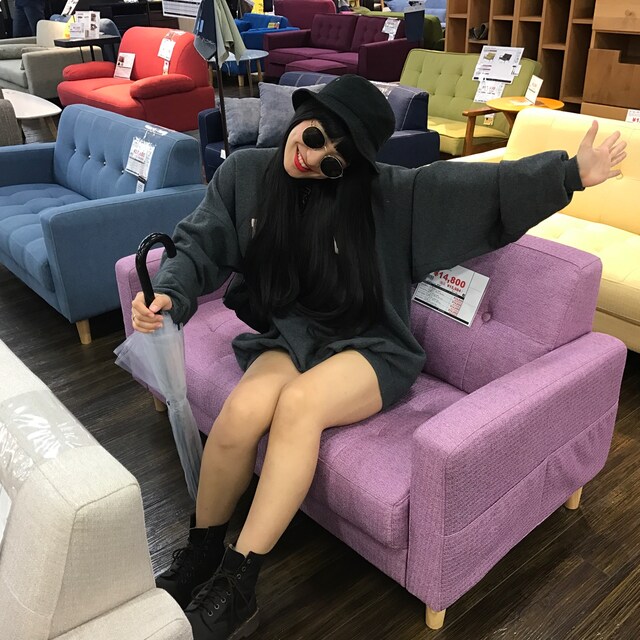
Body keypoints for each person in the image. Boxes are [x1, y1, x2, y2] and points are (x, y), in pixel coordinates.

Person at [130, 75, 626, 640]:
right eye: (314, 136)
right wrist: (170, 292)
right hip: (293, 335)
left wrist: (568, 174)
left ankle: (238, 584)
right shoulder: (244, 175)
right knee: (241, 412)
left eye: (334, 160)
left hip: (371, 343)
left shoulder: (389, 196)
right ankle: (202, 551)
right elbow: (199, 244)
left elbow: (480, 189)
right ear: (304, 112)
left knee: (299, 406)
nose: (313, 158)